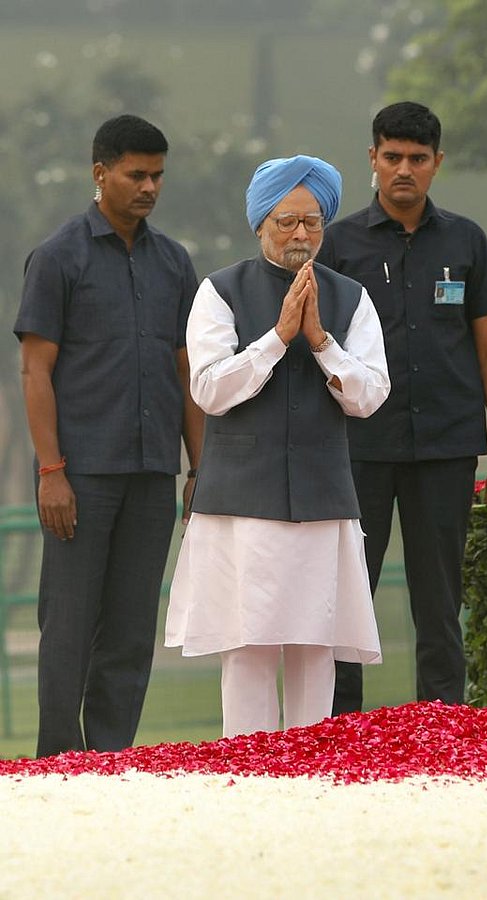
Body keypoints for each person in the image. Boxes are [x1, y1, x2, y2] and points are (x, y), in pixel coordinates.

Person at [164, 156, 390, 737]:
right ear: (260, 223)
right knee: (249, 645)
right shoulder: (220, 291)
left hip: (322, 499)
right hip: (243, 500)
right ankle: (249, 770)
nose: (300, 234)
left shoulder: (351, 298)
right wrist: (276, 338)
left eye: (312, 222)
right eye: (287, 221)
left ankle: (310, 772)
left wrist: (319, 341)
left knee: (315, 647)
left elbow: (369, 395)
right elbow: (209, 389)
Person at [317, 101, 487, 710]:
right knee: (349, 598)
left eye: (418, 159)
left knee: (440, 601)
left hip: (446, 448)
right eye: (392, 157)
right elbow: (316, 348)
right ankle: (338, 733)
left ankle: (443, 729)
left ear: (437, 163)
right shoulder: (339, 245)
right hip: (359, 450)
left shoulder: (466, 240)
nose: (404, 170)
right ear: (373, 159)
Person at [14, 114, 204, 758]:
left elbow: (186, 371)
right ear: (100, 174)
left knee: (129, 629)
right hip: (81, 475)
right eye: (135, 174)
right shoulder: (58, 256)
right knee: (67, 625)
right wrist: (51, 471)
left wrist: (198, 468)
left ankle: (114, 760)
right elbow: (34, 370)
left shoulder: (175, 262)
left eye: (157, 175)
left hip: (153, 474)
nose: (149, 187)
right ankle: (57, 763)